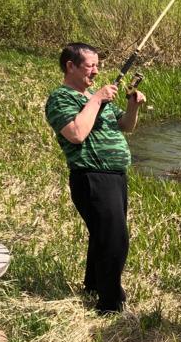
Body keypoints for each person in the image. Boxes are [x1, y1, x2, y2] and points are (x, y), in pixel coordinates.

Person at [44, 43, 146, 313]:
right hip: (91, 176)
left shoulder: (94, 96)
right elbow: (76, 133)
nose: (96, 71)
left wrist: (132, 106)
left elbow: (125, 126)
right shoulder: (61, 98)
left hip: (115, 177)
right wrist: (96, 99)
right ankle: (110, 303)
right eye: (90, 65)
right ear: (70, 66)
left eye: (98, 65)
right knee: (115, 238)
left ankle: (93, 286)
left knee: (102, 235)